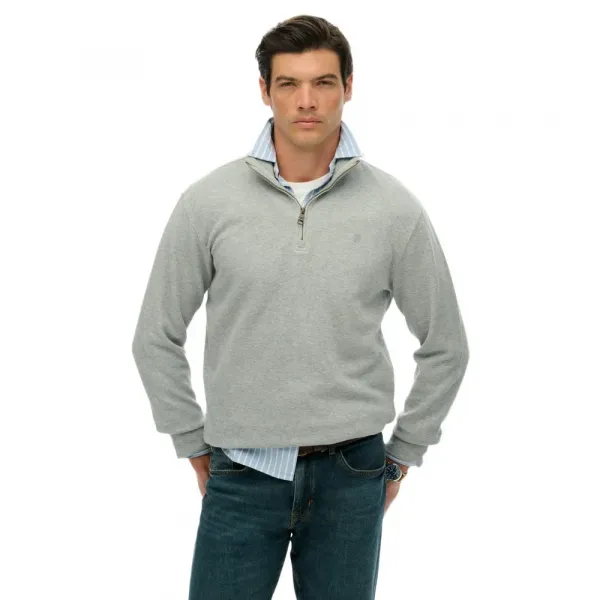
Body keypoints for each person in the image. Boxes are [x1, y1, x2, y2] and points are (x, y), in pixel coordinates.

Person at [131, 14, 469, 600]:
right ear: (265, 90)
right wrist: (191, 440)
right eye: (289, 83)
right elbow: (154, 337)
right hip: (240, 470)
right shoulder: (207, 203)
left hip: (352, 474)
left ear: (348, 87)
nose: (306, 101)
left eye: (323, 82)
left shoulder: (395, 210)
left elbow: (446, 347)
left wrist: (403, 455)